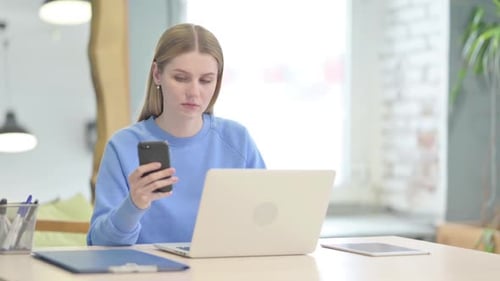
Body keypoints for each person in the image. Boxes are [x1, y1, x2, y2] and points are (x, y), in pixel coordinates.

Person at [87, 23, 266, 246]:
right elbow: (99, 244)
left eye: (206, 80)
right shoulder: (123, 146)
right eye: (181, 78)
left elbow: (265, 221)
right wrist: (134, 205)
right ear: (157, 74)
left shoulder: (237, 140)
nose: (194, 92)